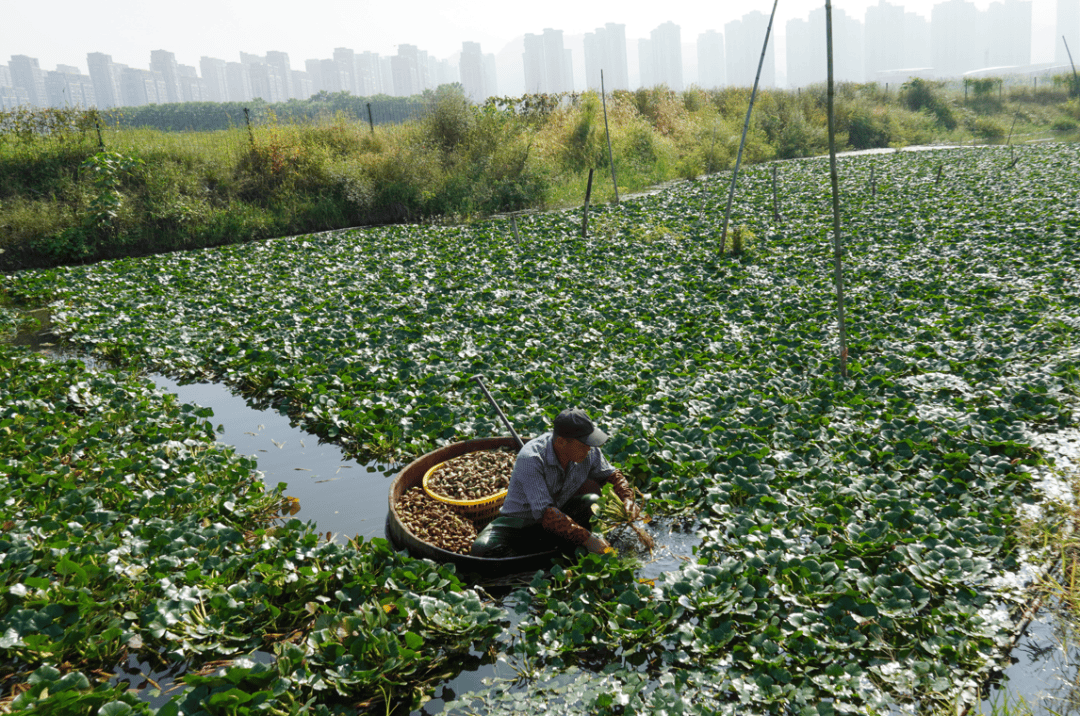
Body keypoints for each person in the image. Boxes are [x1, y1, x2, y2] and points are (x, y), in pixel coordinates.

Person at [470, 408, 639, 558]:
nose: (589, 449)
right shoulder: (531, 459)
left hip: (560, 513)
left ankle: (559, 544)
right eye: (583, 444)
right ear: (561, 442)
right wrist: (587, 539)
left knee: (592, 501)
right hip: (520, 525)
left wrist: (627, 498)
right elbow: (546, 514)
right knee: (482, 550)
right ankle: (541, 552)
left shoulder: (588, 450)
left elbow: (612, 475)